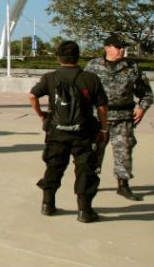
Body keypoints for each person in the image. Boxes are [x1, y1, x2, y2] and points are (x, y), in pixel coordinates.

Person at [29, 40, 109, 223]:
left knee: (54, 165)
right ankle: (84, 210)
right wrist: (104, 128)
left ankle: (47, 204)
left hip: (56, 132)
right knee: (85, 169)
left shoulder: (50, 77)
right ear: (78, 57)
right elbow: (102, 107)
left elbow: (33, 96)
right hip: (84, 133)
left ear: (58, 58)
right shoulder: (90, 78)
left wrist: (42, 116)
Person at [84, 33, 154, 201]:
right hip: (98, 118)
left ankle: (123, 186)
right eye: (118, 47)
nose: (122, 50)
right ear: (107, 48)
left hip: (123, 118)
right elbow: (83, 92)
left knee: (124, 152)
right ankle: (89, 184)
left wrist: (142, 108)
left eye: (124, 47)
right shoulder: (93, 66)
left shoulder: (132, 67)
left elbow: (146, 93)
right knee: (94, 152)